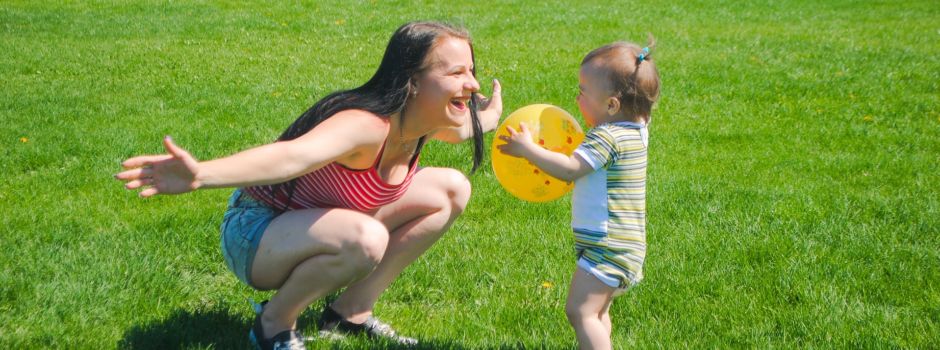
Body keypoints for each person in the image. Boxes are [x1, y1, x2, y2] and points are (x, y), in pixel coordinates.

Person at [115, 21, 502, 350]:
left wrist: (490, 119)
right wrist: (201, 174)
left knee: (452, 188)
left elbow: (464, 129)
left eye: (470, 70)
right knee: (365, 238)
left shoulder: (422, 125)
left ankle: (349, 312)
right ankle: (273, 326)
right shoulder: (366, 126)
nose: (472, 83)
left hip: (316, 227)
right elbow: (290, 157)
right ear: (413, 82)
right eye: (456, 73)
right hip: (256, 232)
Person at [496, 38, 659, 349]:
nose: (576, 97)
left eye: (583, 92)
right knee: (597, 312)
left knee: (580, 311)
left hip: (606, 245)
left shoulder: (606, 137)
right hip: (624, 244)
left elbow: (570, 168)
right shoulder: (637, 129)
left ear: (612, 105)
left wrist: (527, 149)